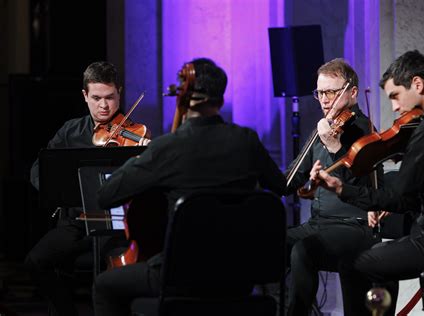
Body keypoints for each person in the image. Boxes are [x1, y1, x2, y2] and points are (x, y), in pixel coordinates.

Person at [92, 57, 287, 316]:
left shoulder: (167, 148)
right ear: (219, 99)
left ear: (184, 97)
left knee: (104, 285)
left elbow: (105, 196)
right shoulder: (247, 141)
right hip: (240, 274)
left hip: (180, 275)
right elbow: (281, 186)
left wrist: (143, 159)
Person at [311, 50, 424, 315]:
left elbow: (401, 199)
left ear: (418, 85)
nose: (395, 108)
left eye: (396, 96)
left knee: (355, 263)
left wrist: (343, 189)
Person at [25, 61, 150, 316]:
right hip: (77, 221)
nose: (104, 106)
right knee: (35, 262)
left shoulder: (134, 134)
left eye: (110, 97)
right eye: (96, 98)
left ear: (119, 93)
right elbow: (39, 169)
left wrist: (148, 152)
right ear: (85, 96)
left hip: (117, 224)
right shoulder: (70, 131)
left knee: (117, 272)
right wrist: (55, 191)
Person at [285, 58, 383, 316]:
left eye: (331, 92)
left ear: (352, 92)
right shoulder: (324, 128)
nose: (325, 99)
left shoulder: (365, 132)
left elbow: (361, 188)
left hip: (355, 226)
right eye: (320, 93)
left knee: (302, 250)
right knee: (270, 244)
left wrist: (335, 148)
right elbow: (292, 178)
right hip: (320, 224)